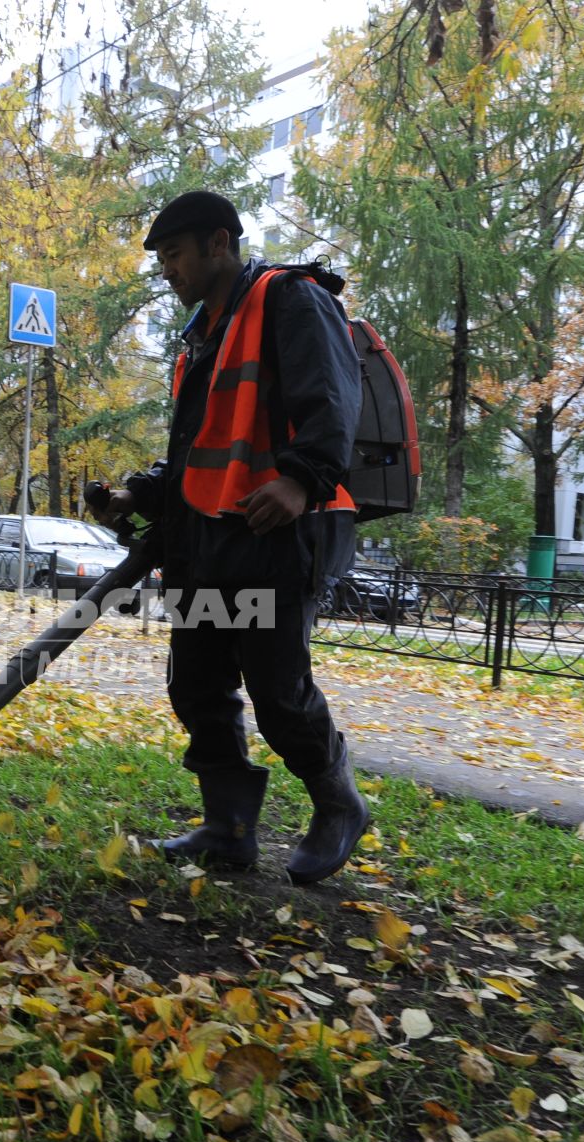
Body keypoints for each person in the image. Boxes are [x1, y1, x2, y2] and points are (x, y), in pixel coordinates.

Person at [87, 190, 368, 885]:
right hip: (208, 542)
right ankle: (228, 828)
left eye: (174, 255)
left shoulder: (289, 299)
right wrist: (141, 494)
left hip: (280, 535)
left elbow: (334, 401)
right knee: (198, 684)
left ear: (219, 242)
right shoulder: (203, 332)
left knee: (277, 688)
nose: (166, 272)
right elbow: (203, 449)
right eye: (160, 261)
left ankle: (339, 802)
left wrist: (301, 480)